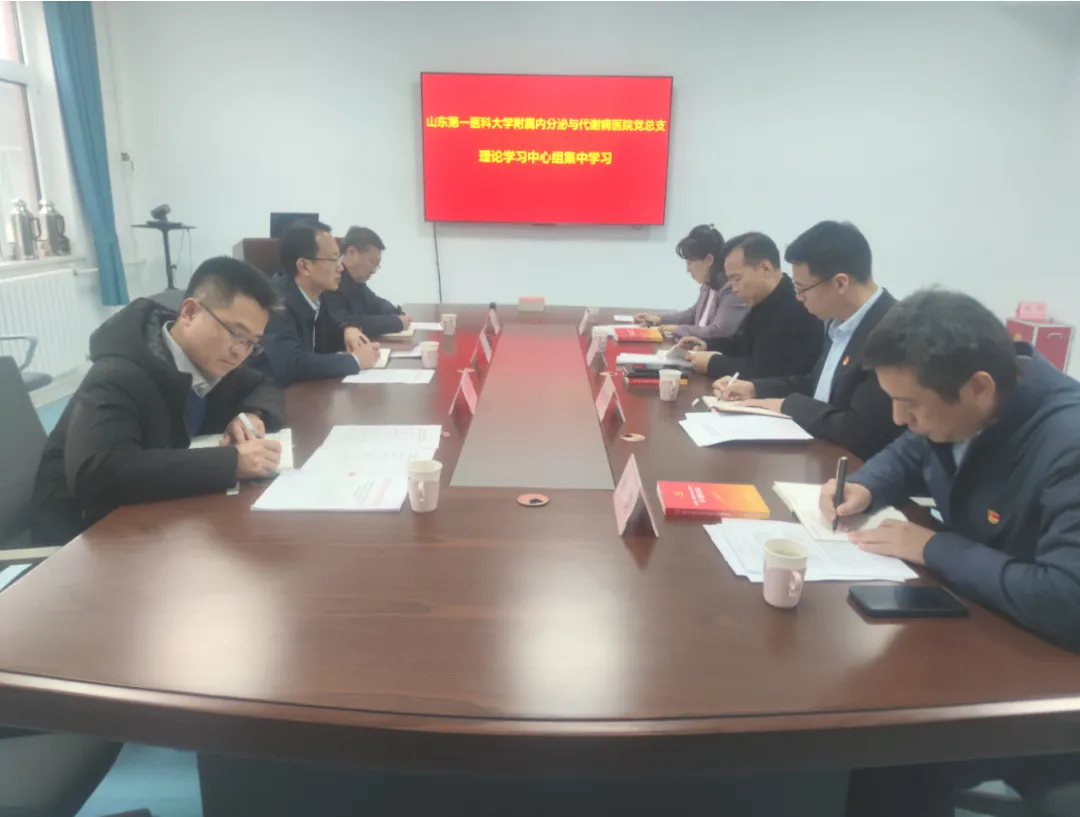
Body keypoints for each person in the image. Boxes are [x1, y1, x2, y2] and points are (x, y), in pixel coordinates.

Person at [819, 290, 1080, 816]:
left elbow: (1067, 600)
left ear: (979, 388)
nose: (898, 418)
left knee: (884, 750)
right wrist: (866, 486)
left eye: (910, 404)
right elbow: (911, 450)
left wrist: (933, 546)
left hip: (1049, 682)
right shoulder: (966, 404)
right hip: (983, 630)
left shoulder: (1067, 443)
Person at [29, 257, 286, 546]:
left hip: (153, 519)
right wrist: (231, 463)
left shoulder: (211, 359)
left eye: (252, 343)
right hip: (80, 539)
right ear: (190, 312)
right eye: (236, 334)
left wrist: (253, 414)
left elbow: (263, 384)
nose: (240, 352)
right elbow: (98, 472)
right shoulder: (118, 374)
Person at [714, 220, 900, 459]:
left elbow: (860, 430)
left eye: (802, 289)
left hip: (852, 466)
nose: (799, 298)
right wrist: (754, 388)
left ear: (840, 283)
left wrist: (787, 405)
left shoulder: (890, 333)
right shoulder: (838, 322)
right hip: (818, 452)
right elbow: (818, 385)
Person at [683, 232, 824, 380]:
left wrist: (712, 363)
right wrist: (707, 346)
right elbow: (740, 347)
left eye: (737, 279)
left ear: (765, 268)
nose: (734, 288)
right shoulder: (761, 303)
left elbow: (768, 373)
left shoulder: (799, 310)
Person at [253, 221, 379, 386]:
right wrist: (355, 361)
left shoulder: (319, 295)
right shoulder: (275, 302)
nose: (341, 267)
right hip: (271, 395)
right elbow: (291, 363)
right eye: (334, 259)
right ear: (304, 266)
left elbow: (329, 336)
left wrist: (347, 331)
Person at [635, 224, 748, 342]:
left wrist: (678, 329)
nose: (687, 270)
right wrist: (659, 319)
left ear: (709, 260)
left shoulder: (731, 289)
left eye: (690, 263)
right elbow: (693, 314)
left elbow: (718, 331)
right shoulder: (707, 285)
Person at [323, 226, 411, 338]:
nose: (373, 270)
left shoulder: (356, 281)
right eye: (371, 262)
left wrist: (397, 313)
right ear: (351, 252)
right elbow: (347, 322)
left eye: (376, 265)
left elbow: (376, 303)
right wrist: (396, 322)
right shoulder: (332, 282)